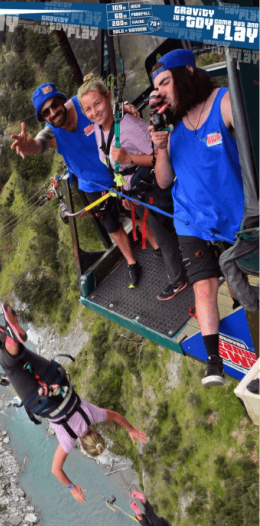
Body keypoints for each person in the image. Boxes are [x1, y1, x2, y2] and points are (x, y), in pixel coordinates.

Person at [0, 303, 146, 502]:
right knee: (9, 365)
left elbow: (115, 416)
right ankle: (7, 335)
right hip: (38, 398)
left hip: (56, 378)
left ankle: (8, 334)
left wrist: (130, 428)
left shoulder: (92, 414)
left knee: (21, 353)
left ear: (97, 433)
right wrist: (71, 486)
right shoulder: (68, 440)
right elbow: (55, 469)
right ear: (84, 447)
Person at [149, 49, 245, 386]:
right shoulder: (171, 128)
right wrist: (159, 148)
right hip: (190, 218)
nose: (159, 92)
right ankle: (214, 362)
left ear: (187, 71)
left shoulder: (223, 101)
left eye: (164, 82)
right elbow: (162, 181)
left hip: (234, 217)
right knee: (203, 288)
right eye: (155, 88)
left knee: (240, 283)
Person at [11, 83, 153, 288]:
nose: (53, 113)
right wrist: (27, 146)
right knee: (112, 226)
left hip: (118, 172)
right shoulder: (52, 132)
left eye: (54, 105)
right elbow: (39, 143)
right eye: (46, 112)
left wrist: (125, 107)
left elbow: (106, 107)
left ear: (62, 101)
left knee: (138, 212)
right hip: (92, 184)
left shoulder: (83, 105)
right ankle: (132, 263)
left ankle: (158, 247)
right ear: (44, 117)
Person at [77, 73, 187, 301]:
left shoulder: (128, 126)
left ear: (107, 98)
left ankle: (179, 279)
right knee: (157, 226)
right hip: (134, 189)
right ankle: (184, 258)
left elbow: (160, 156)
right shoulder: (99, 129)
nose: (94, 112)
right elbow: (113, 164)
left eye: (97, 103)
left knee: (164, 232)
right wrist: (125, 192)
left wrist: (129, 157)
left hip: (153, 185)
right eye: (88, 109)